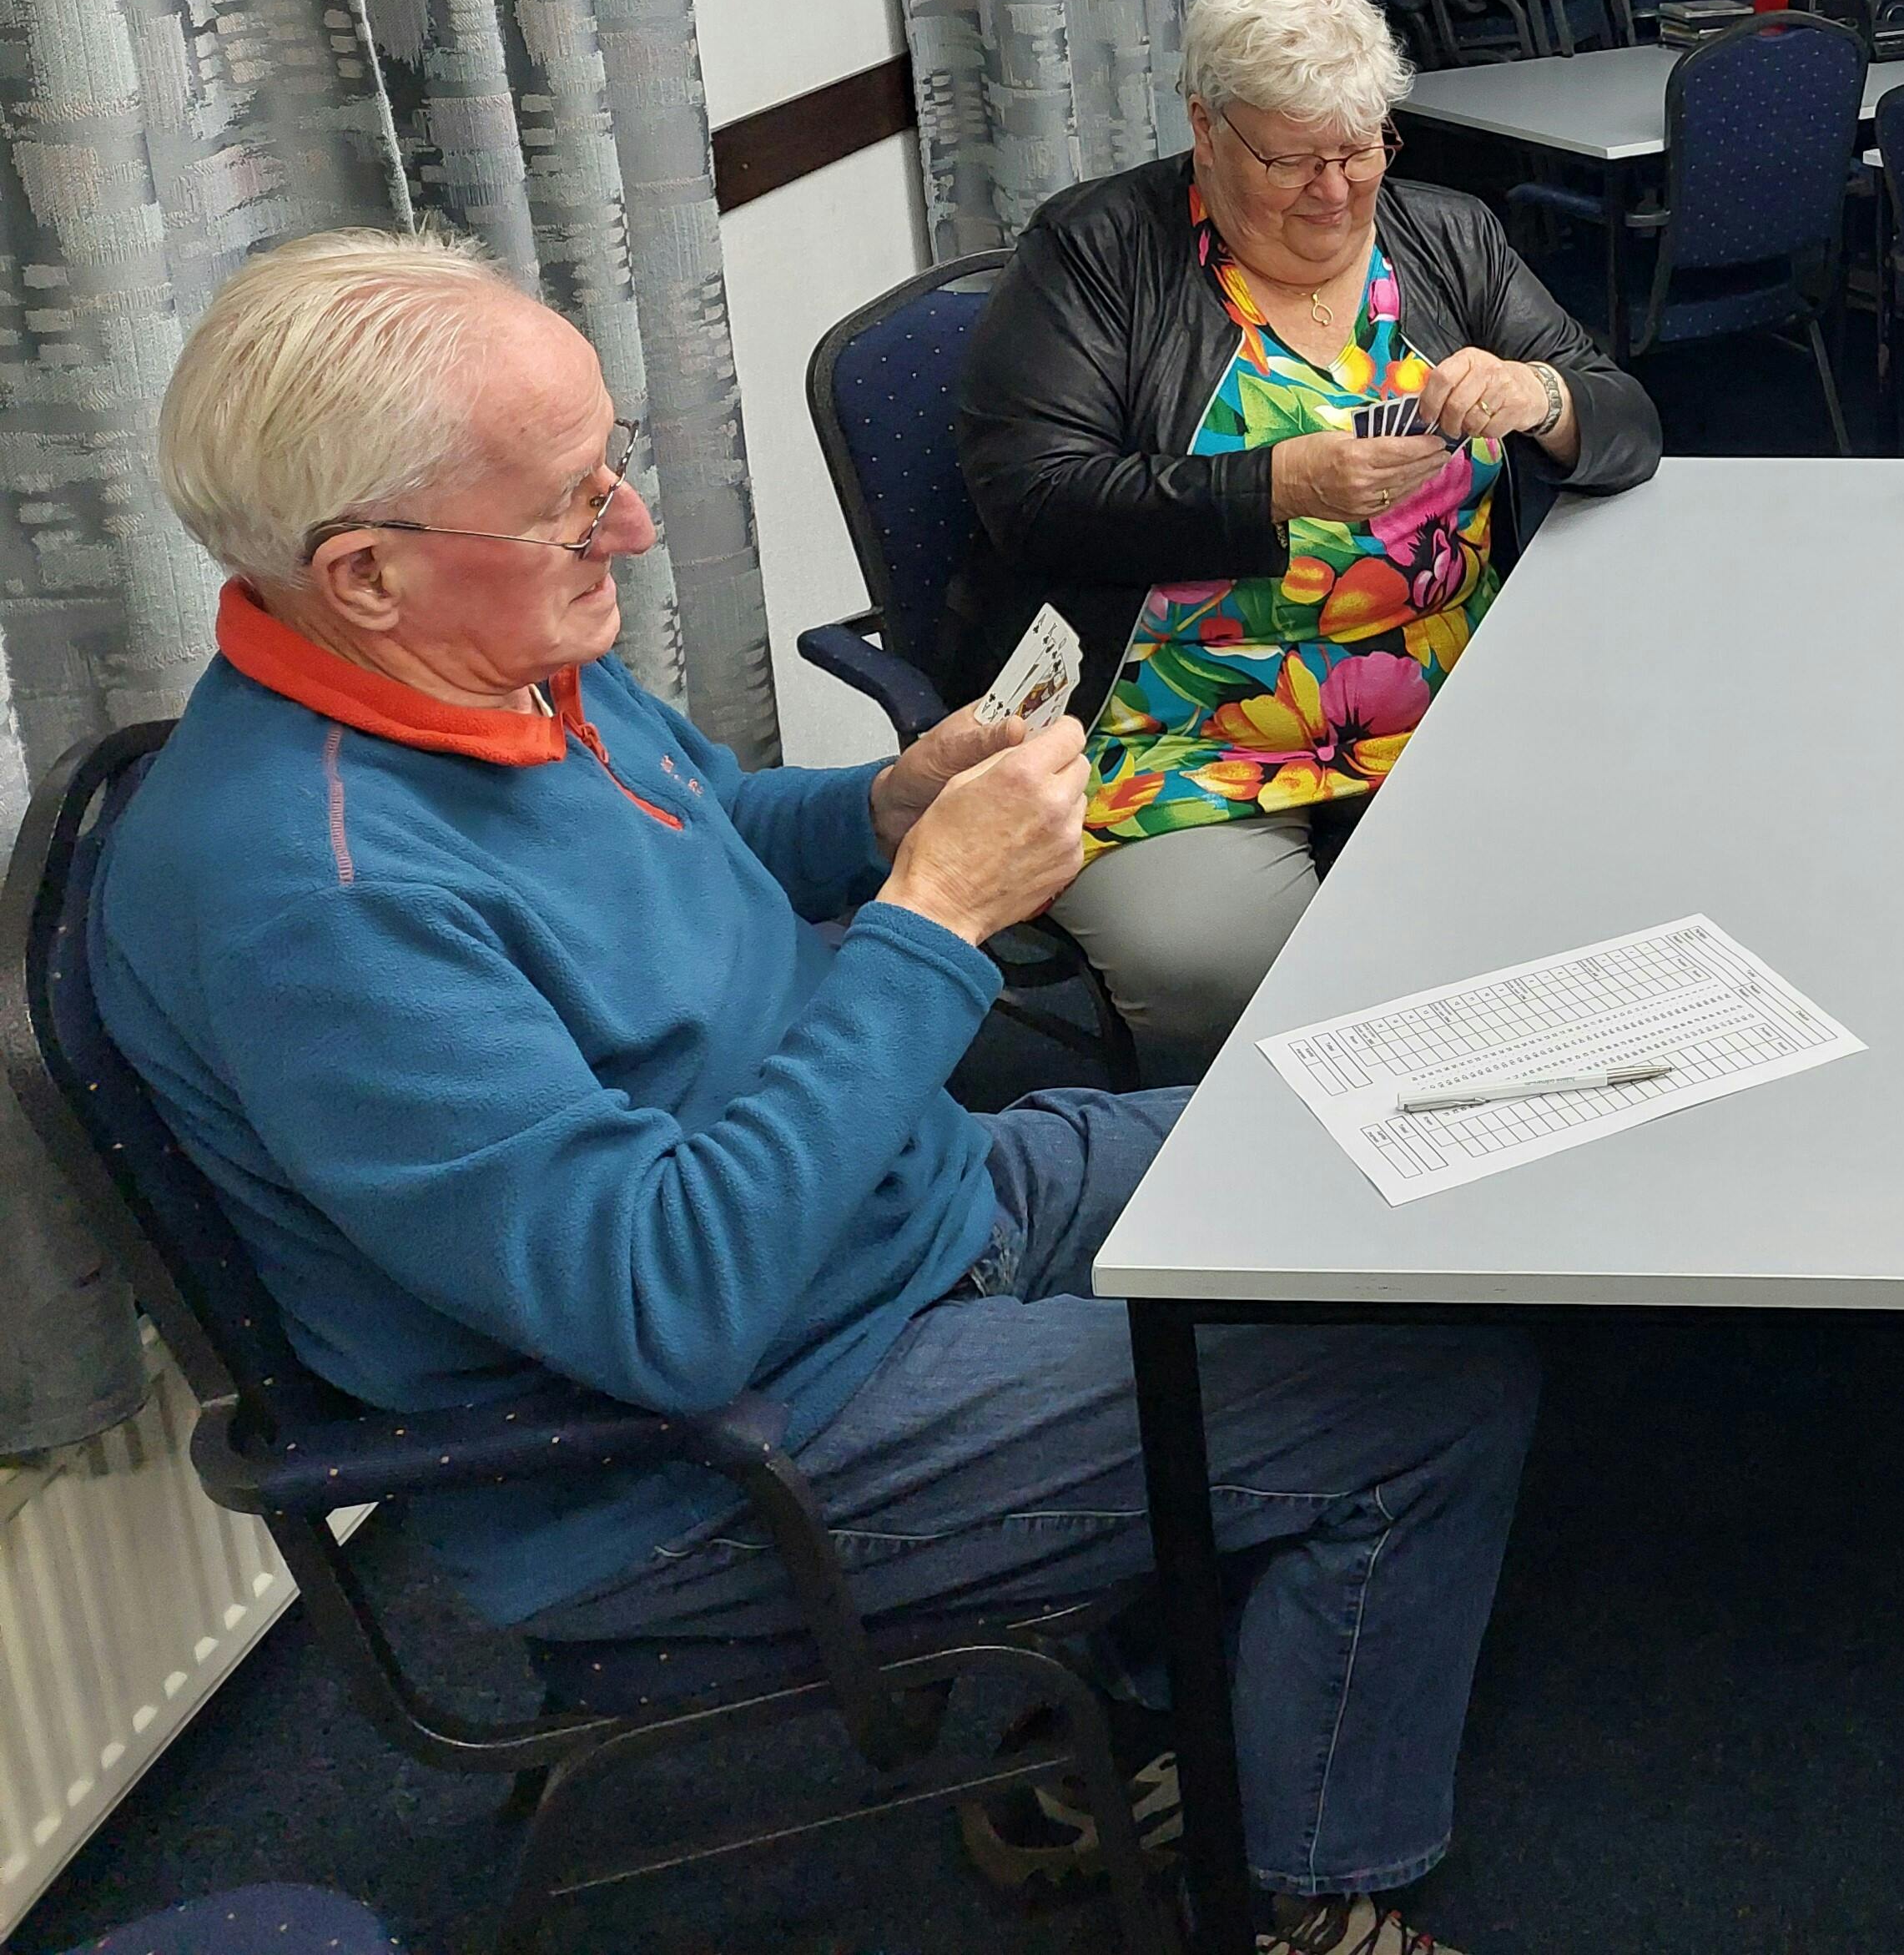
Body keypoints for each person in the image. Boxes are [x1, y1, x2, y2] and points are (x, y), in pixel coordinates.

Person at [97, 231, 1530, 1955]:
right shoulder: (315, 901)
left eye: (612, 467)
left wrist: (879, 810)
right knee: (1419, 1392)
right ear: (366, 573)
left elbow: (701, 825)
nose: (632, 525)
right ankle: (1300, 1891)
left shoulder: (487, 661)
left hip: (892, 1210)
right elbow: (667, 1309)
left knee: (1359, 1158)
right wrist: (933, 923)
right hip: (722, 1447)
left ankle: (1149, 1720)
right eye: (574, 505)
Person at [952, 0, 1660, 1071]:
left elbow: (1630, 421)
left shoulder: (1446, 237)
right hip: (1176, 725)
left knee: (1575, 898)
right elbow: (1034, 500)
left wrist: (1544, 396)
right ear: (1206, 128)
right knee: (1226, 967)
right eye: (1290, 161)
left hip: (1446, 693)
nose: (1334, 191)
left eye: (1359, 148)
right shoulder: (1098, 254)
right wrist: (1277, 486)